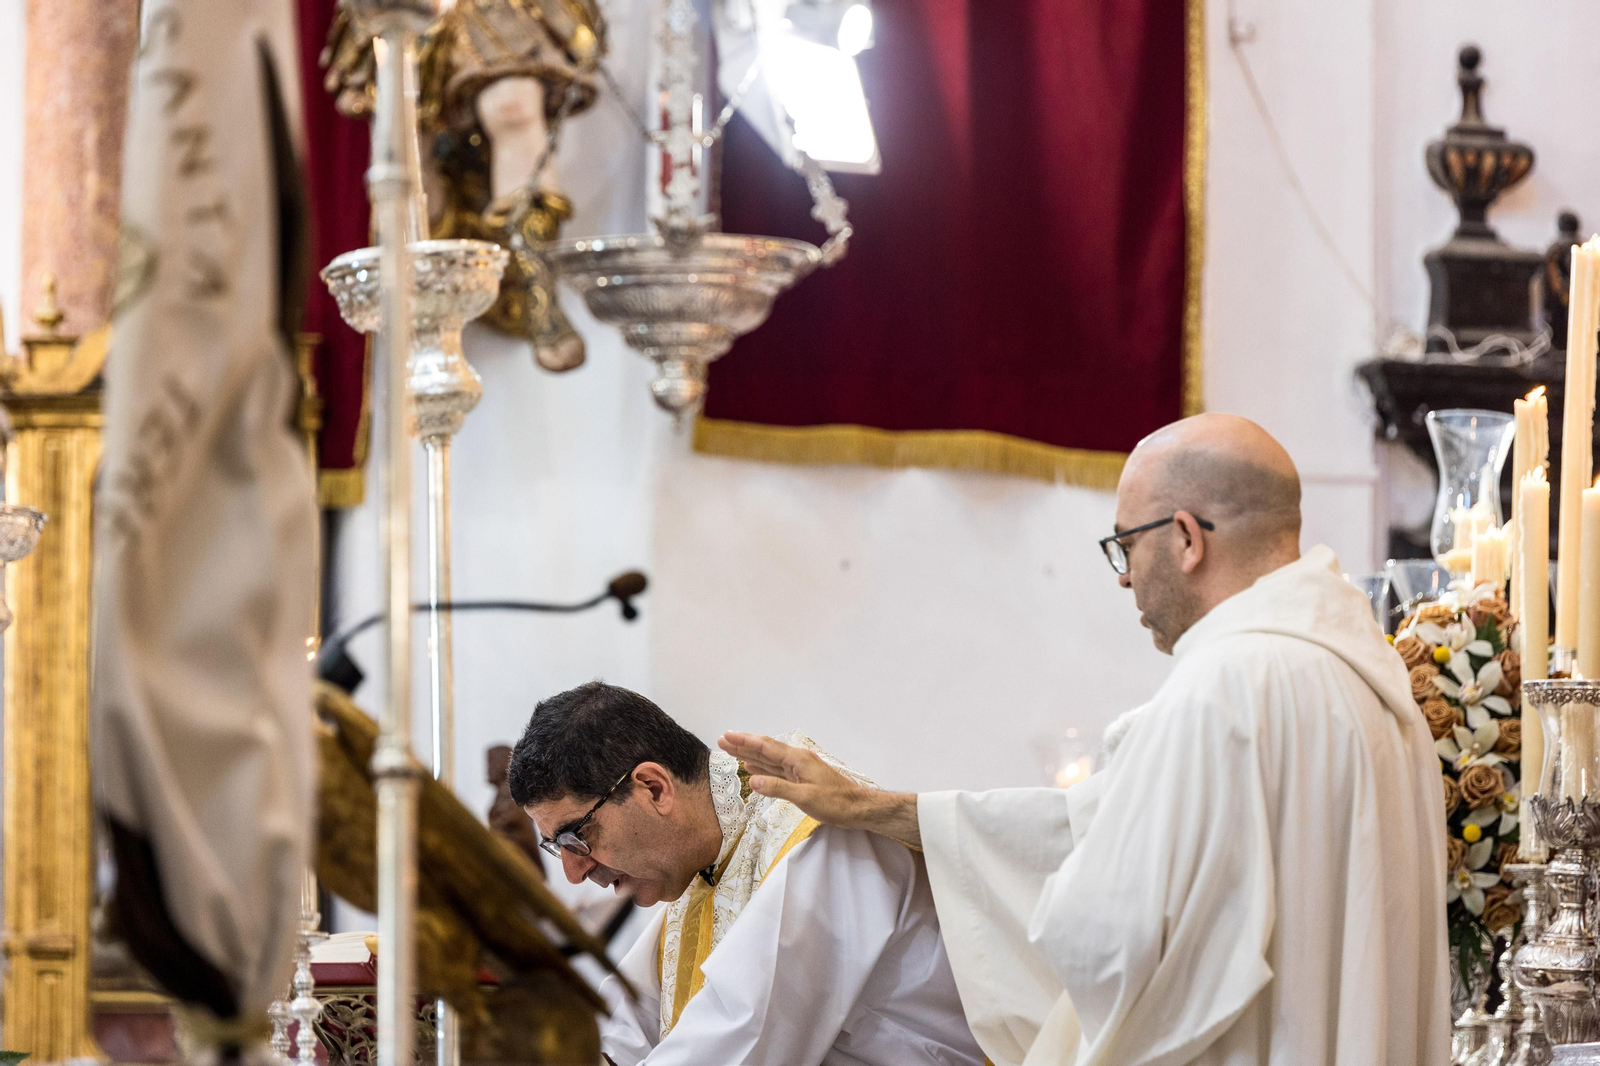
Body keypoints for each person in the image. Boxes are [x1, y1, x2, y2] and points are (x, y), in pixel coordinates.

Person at [722, 413, 1450, 1066]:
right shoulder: (1377, 689)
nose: (1125, 578)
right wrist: (881, 808)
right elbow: (1098, 827)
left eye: (1124, 545)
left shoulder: (1222, 690)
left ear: (1187, 539)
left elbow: (1105, 937)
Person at [506, 681, 985, 1066]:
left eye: (576, 837)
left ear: (653, 788)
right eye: (556, 847)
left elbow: (739, 1036)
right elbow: (629, 1017)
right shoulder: (707, 859)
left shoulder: (809, 838)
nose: (572, 872)